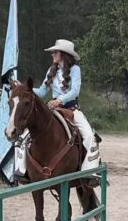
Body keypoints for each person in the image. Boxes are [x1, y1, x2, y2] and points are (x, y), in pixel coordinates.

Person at [32, 39, 100, 173]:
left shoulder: (75, 70)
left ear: (63, 54)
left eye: (55, 52)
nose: (52, 55)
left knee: (89, 136)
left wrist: (59, 100)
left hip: (71, 109)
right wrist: (24, 88)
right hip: (53, 109)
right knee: (26, 135)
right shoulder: (51, 71)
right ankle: (23, 170)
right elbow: (41, 92)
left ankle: (89, 172)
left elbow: (75, 91)